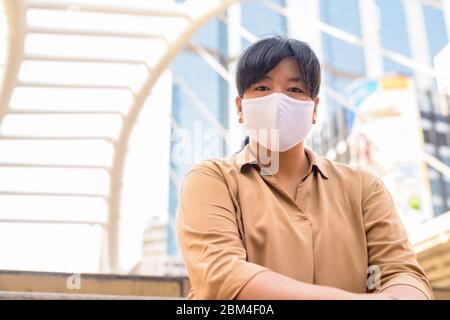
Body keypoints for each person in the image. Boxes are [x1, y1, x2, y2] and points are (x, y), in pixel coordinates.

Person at [175, 36, 433, 300]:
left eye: (295, 90)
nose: (278, 100)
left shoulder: (364, 188)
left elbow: (401, 273)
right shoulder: (212, 180)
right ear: (240, 108)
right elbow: (223, 276)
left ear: (314, 108)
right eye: (262, 87)